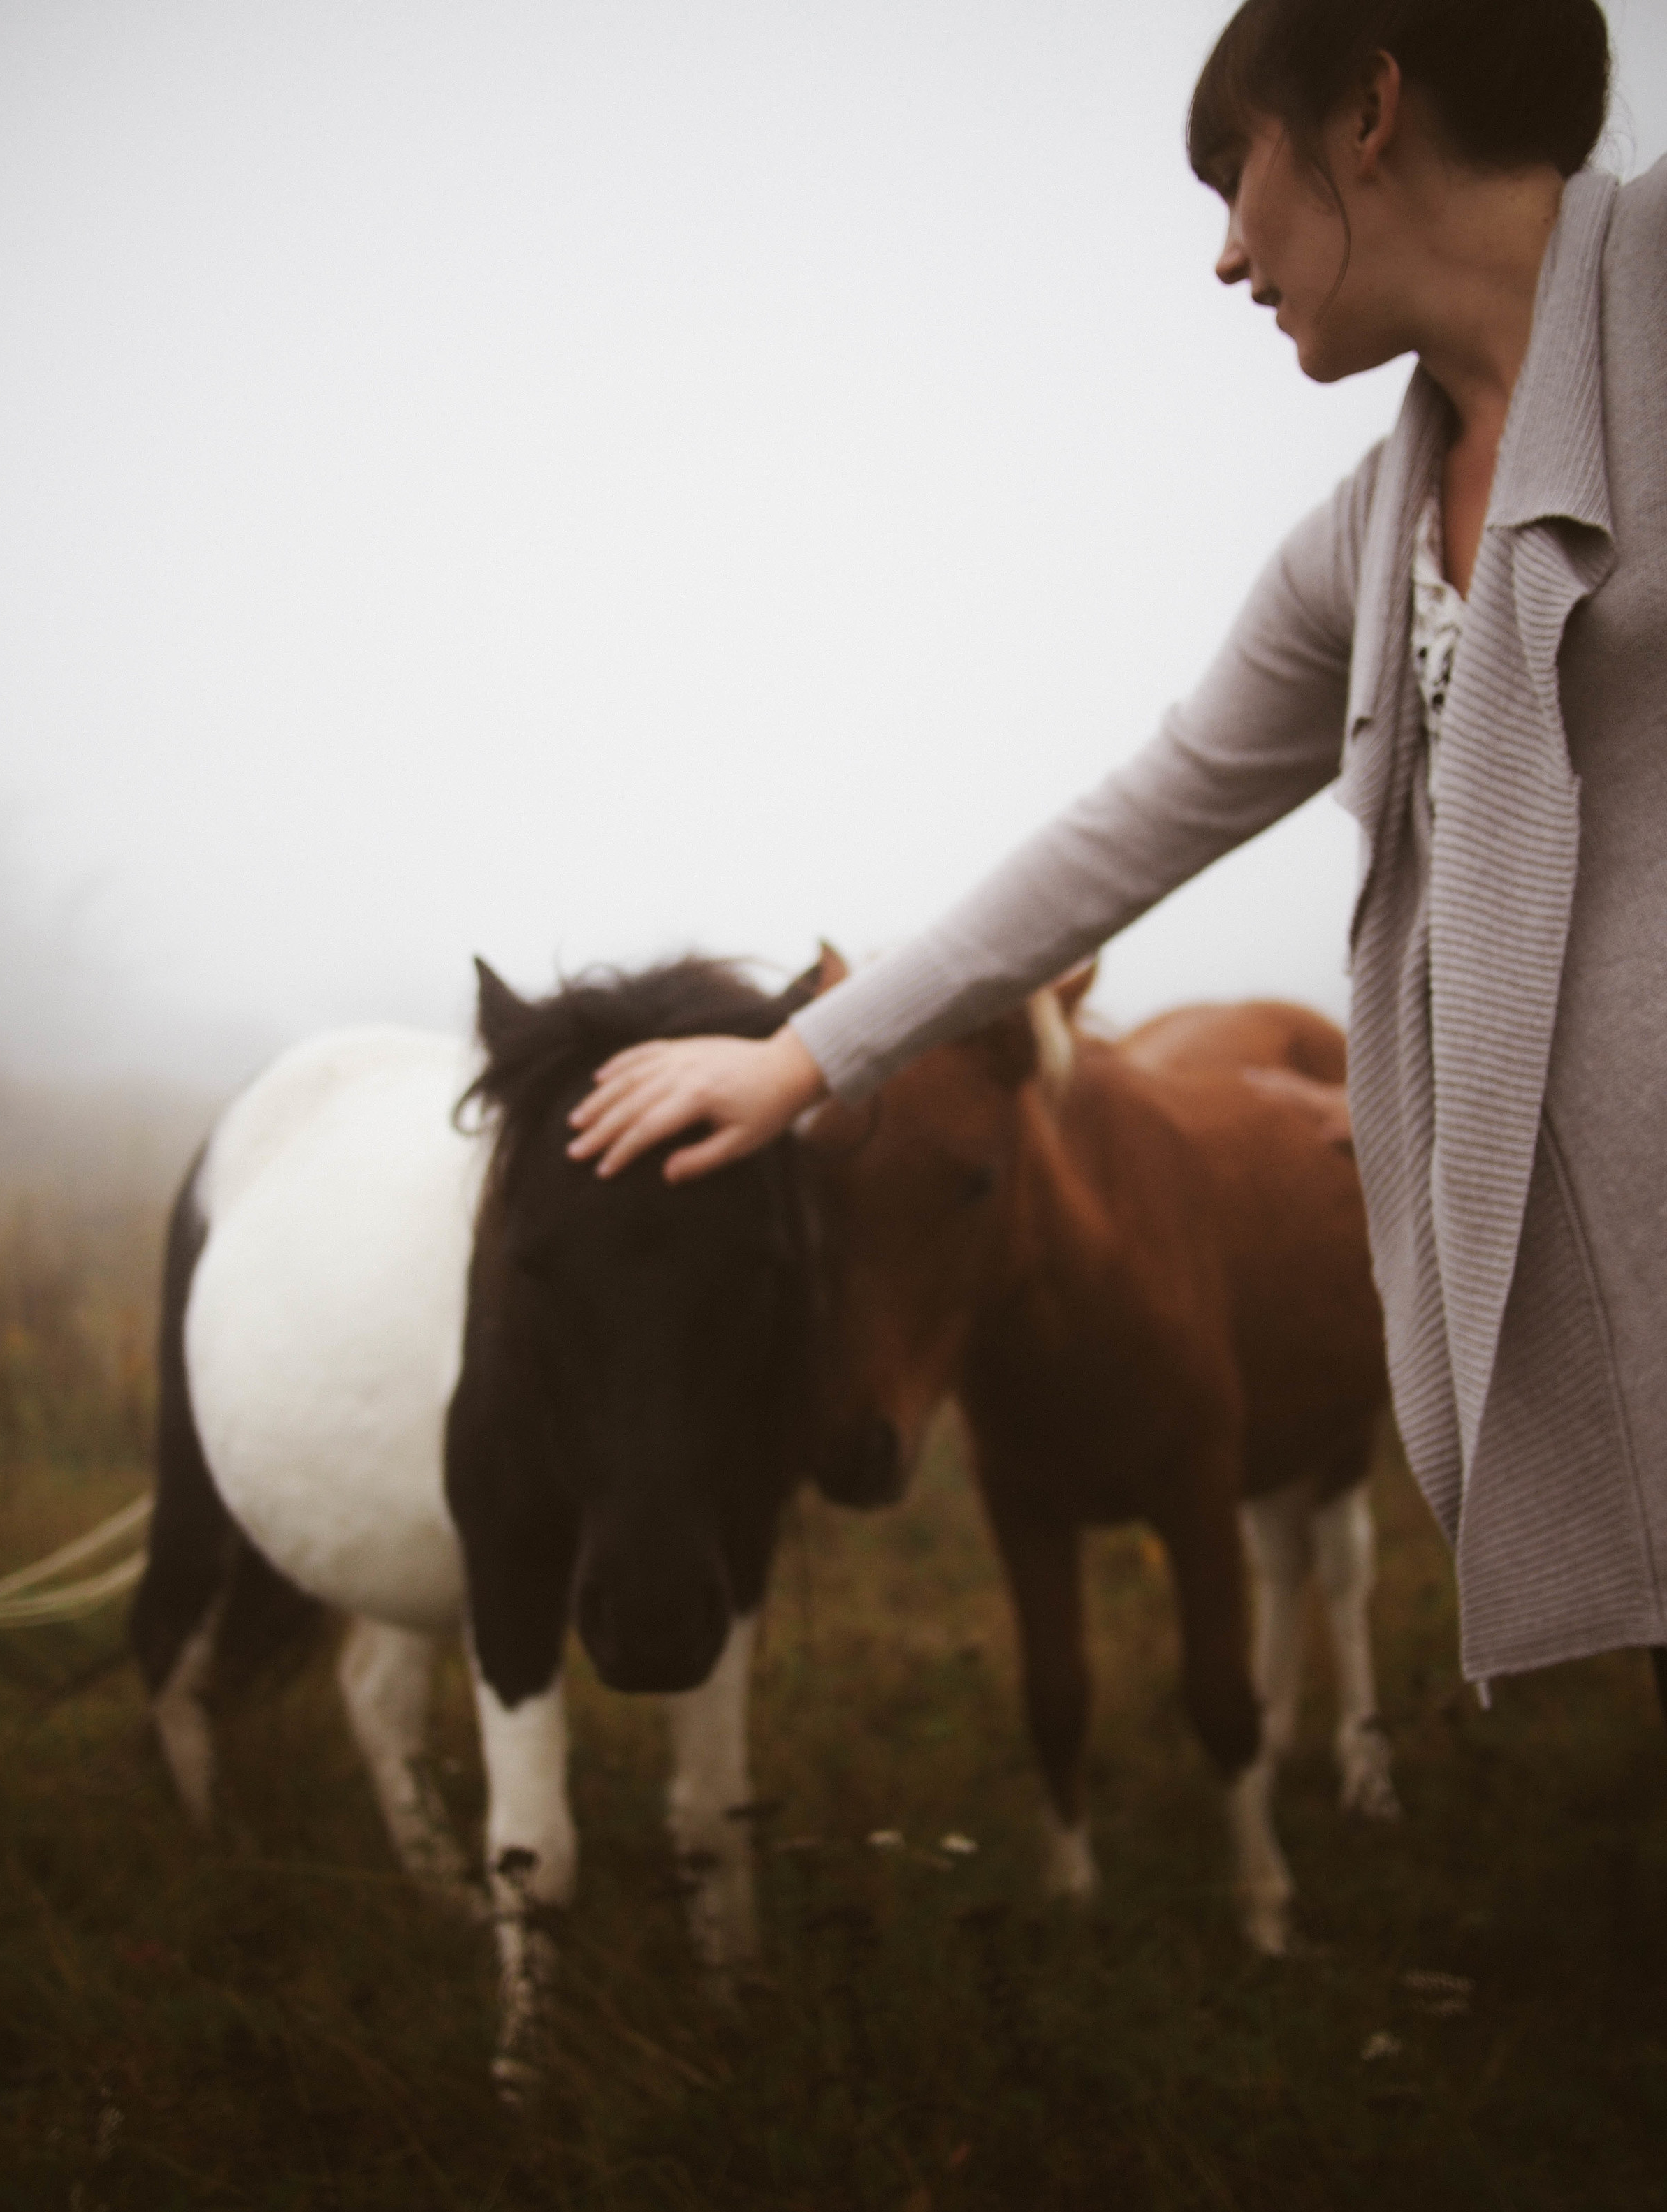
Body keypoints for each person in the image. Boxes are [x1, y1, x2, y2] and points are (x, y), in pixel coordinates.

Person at [568, 0, 1667, 1694]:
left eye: (1236, 175)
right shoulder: (1366, 545)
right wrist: (803, 1057)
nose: (1227, 256)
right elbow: (1137, 818)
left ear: (1365, 108)